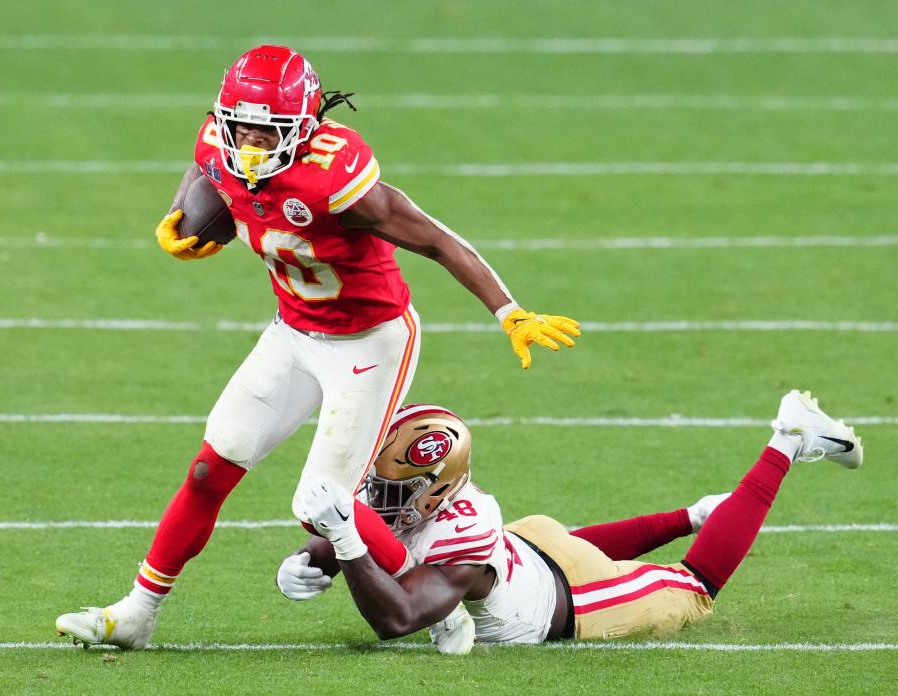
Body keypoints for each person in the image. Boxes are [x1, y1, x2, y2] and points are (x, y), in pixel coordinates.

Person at [55, 45, 579, 649]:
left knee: (321, 505)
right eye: (239, 125)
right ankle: (138, 614)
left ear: (303, 127)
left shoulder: (336, 177)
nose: (249, 141)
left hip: (370, 341)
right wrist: (182, 217)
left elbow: (434, 239)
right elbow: (208, 169)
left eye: (266, 129)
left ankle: (438, 605)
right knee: (209, 469)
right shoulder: (218, 140)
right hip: (293, 332)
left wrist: (508, 310)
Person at [286, 391, 862, 653]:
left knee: (695, 588)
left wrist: (341, 540)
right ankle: (699, 514)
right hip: (528, 549)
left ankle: (788, 437)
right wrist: (312, 560)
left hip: (567, 600)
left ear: (434, 488)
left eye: (393, 487)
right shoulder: (428, 488)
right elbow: (375, 533)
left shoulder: (458, 531)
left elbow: (398, 617)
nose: (376, 494)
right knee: (576, 550)